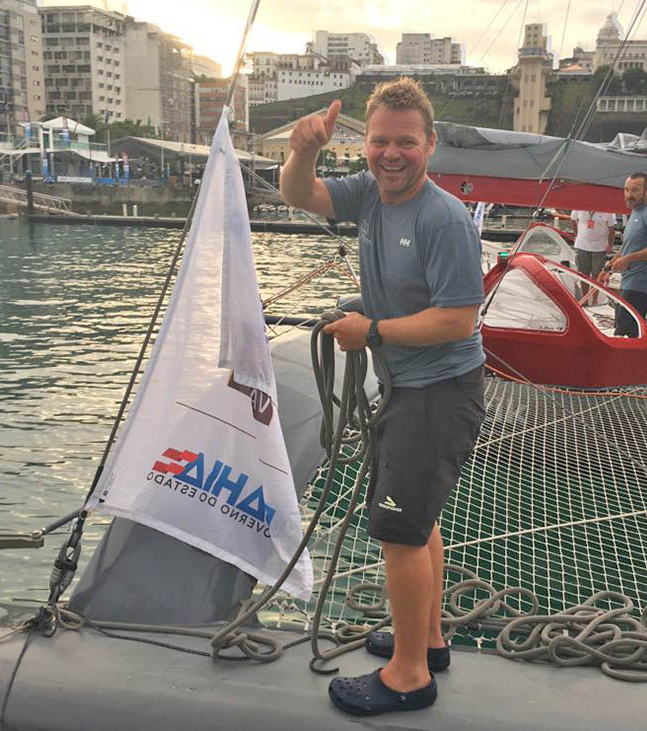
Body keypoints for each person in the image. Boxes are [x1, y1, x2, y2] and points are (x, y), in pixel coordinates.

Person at [279, 78, 486, 717]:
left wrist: (369, 329)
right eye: (379, 141)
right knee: (419, 522)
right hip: (407, 386)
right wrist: (303, 148)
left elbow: (457, 320)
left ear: (429, 146)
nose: (391, 154)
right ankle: (426, 637)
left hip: (437, 392)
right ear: (364, 144)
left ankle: (408, 676)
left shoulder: (444, 219)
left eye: (406, 143)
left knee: (397, 530)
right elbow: (301, 194)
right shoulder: (370, 194)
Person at [603, 172, 647, 337]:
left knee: (625, 334)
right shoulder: (636, 211)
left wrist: (629, 259)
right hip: (629, 281)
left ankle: (630, 362)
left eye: (634, 190)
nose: (629, 195)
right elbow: (630, 245)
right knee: (625, 331)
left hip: (641, 284)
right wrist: (610, 266)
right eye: (626, 190)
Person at [565, 209, 616, 304]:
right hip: (582, 246)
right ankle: (585, 299)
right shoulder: (579, 207)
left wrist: (610, 245)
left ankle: (595, 300)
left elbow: (612, 229)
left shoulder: (608, 210)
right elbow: (573, 219)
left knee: (597, 274)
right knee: (583, 274)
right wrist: (576, 234)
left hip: (600, 248)